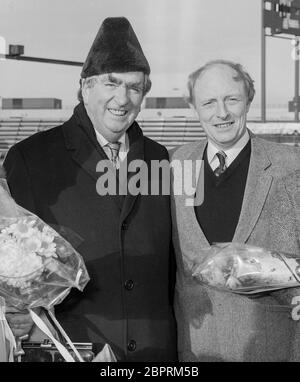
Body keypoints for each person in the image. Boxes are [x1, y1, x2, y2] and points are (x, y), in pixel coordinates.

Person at [3, 17, 177, 362]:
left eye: (135, 87)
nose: (123, 99)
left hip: (154, 353)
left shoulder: (160, 158)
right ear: (85, 87)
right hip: (71, 348)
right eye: (112, 84)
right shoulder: (30, 158)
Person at [170, 59, 300, 362]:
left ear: (248, 99)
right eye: (209, 102)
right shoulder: (172, 165)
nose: (222, 112)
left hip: (273, 347)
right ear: (194, 107)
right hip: (192, 350)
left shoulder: (292, 166)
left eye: (232, 99)